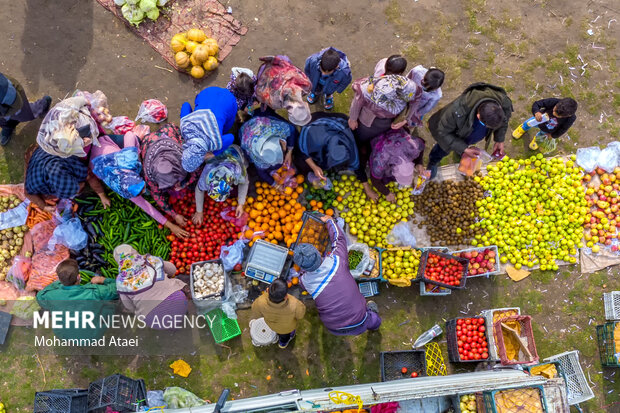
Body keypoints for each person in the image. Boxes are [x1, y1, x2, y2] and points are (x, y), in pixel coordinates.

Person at [294, 215, 381, 336]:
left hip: (334, 328)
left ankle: (370, 318)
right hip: (360, 319)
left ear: (302, 267)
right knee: (372, 320)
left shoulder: (305, 281)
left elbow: (301, 283)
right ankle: (374, 323)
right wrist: (329, 221)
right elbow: (339, 239)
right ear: (318, 255)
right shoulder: (336, 261)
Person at [90, 131, 188, 238]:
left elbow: (129, 134)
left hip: (106, 143)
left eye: (142, 187)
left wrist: (137, 155)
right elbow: (145, 206)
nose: (144, 191)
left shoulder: (129, 160)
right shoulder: (121, 187)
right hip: (97, 161)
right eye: (140, 192)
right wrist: (170, 225)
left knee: (136, 139)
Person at [427, 82, 513, 178]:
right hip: (453, 133)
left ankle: (461, 153)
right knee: (442, 148)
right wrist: (463, 148)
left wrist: (499, 139)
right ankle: (433, 162)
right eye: (487, 126)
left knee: (466, 144)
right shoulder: (457, 111)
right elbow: (443, 132)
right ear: (478, 116)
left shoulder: (503, 103)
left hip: (470, 133)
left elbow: (503, 122)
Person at [295, 112, 376, 199]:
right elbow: (301, 149)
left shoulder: (350, 147)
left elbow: (358, 167)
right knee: (301, 163)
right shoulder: (312, 136)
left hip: (338, 128)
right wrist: (314, 166)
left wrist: (367, 189)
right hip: (318, 121)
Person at [138, 124, 199, 237]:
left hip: (169, 133)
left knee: (174, 132)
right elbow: (157, 197)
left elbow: (196, 172)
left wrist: (185, 183)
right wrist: (174, 215)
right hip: (148, 143)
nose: (175, 185)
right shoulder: (150, 175)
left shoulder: (184, 158)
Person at [36, 259, 118, 339]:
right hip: (92, 336)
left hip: (63, 336)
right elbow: (118, 288)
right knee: (109, 305)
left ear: (59, 279)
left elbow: (39, 296)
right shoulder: (95, 292)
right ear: (78, 277)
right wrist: (102, 280)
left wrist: (58, 283)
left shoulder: (51, 296)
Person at [113, 244, 188, 329]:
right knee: (174, 283)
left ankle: (171, 327)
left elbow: (129, 306)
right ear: (134, 251)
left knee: (157, 318)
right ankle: (182, 314)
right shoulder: (150, 260)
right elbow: (172, 269)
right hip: (179, 303)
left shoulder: (120, 281)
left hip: (155, 320)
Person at [24, 146, 106, 213]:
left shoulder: (72, 165)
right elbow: (28, 193)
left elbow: (89, 176)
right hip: (35, 156)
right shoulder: (34, 182)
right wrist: (43, 206)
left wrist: (102, 195)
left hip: (52, 150)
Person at [180, 86, 238, 174]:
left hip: (230, 100)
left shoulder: (214, 143)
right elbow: (186, 105)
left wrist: (212, 154)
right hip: (208, 92)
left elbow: (231, 137)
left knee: (226, 128)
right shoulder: (185, 127)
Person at [239, 109, 297, 188]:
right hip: (246, 133)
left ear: (281, 141)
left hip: (258, 124)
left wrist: (289, 151)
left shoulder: (277, 128)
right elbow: (261, 172)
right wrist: (275, 185)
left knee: (294, 132)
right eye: (284, 149)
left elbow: (291, 129)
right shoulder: (256, 157)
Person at [193, 144, 249, 224]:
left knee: (245, 164)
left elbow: (244, 183)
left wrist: (241, 203)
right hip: (217, 154)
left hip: (235, 151)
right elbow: (199, 190)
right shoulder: (207, 173)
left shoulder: (238, 171)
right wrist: (199, 211)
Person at [369, 129, 426, 201]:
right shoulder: (380, 160)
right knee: (383, 179)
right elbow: (375, 180)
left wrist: (419, 163)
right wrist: (387, 193)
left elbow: (421, 144)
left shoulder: (412, 148)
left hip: (398, 136)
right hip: (380, 138)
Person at [255, 55, 312, 126]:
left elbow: (295, 70)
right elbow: (262, 93)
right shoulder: (275, 103)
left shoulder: (306, 84)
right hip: (266, 74)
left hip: (281, 62)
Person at [251, 278, 306, 348]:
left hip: (271, 325)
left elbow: (255, 311)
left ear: (267, 290)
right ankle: (282, 343)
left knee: (278, 330)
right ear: (286, 296)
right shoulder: (294, 304)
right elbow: (300, 315)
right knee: (285, 336)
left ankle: (281, 340)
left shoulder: (260, 301)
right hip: (287, 328)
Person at [0, 73, 51, 146]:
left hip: (13, 99)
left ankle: (44, 103)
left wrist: (5, 114)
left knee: (26, 115)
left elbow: (17, 104)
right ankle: (8, 127)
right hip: (4, 110)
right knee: (3, 121)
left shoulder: (3, 89)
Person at [512, 97, 578, 151]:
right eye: (554, 110)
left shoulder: (571, 118)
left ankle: (537, 140)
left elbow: (563, 129)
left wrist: (553, 135)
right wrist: (536, 112)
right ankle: (522, 129)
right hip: (539, 120)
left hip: (549, 129)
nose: (554, 113)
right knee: (528, 123)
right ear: (558, 103)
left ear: (568, 115)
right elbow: (537, 104)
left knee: (542, 135)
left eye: (558, 115)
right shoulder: (554, 101)